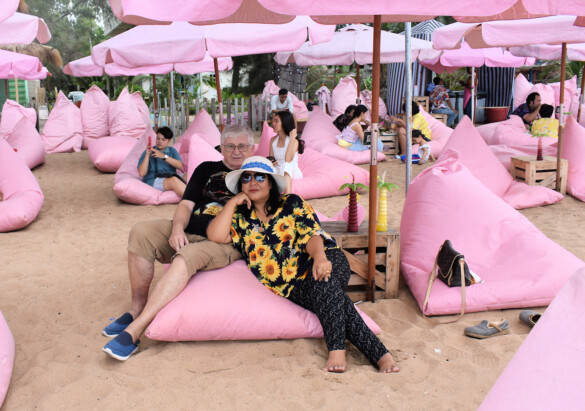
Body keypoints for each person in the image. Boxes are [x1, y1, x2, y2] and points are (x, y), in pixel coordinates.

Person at [207, 156, 400, 374]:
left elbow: (312, 234)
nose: (253, 182)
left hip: (325, 258)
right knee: (333, 297)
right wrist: (232, 202)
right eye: (246, 178)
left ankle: (337, 349)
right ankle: (381, 354)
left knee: (324, 282)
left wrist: (320, 258)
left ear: (271, 182)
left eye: (260, 176)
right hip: (292, 287)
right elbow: (214, 235)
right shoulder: (239, 219)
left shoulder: (291, 203)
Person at [102, 124, 254, 361]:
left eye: (242, 146)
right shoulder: (207, 169)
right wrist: (176, 228)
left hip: (223, 241)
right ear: (221, 148)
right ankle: (136, 309)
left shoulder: (257, 175)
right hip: (190, 227)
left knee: (187, 256)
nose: (237, 151)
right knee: (141, 231)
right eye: (230, 146)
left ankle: (135, 331)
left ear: (251, 147)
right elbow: (185, 204)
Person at [137, 126, 186, 197]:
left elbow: (180, 166)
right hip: (154, 179)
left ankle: (203, 194)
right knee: (174, 180)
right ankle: (194, 200)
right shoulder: (149, 151)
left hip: (171, 175)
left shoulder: (172, 151)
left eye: (163, 139)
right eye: (158, 138)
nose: (159, 141)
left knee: (190, 175)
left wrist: (163, 156)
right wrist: (147, 155)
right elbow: (141, 173)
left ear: (169, 141)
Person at [269, 110, 304, 194]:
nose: (273, 124)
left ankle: (287, 197)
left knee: (286, 165)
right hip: (278, 169)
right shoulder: (273, 140)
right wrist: (271, 163)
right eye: (273, 120)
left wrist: (292, 138)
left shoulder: (294, 141)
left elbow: (288, 160)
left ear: (284, 123)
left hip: (291, 171)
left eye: (276, 121)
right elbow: (271, 158)